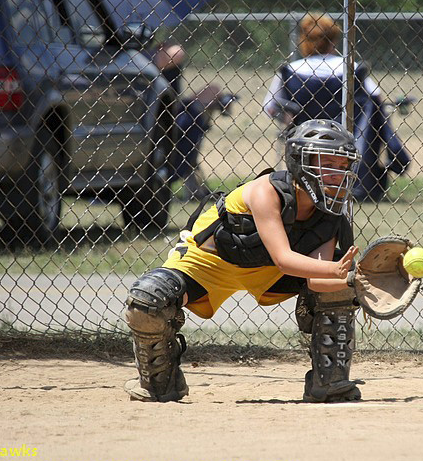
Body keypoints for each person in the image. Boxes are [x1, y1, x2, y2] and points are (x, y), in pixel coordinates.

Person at [123, 119, 365, 403]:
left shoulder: (329, 214)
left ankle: (330, 381)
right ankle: (160, 382)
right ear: (300, 162)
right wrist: (335, 269)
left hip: (268, 272)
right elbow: (284, 258)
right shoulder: (267, 191)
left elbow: (317, 279)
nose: (338, 174)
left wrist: (354, 279)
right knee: (148, 300)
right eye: (328, 164)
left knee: (339, 288)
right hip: (209, 263)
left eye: (342, 166)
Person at [262, 12, 411, 202]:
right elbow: (376, 100)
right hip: (349, 139)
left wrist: (290, 118)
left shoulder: (290, 70)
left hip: (308, 142)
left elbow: (270, 107)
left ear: (303, 41)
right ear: (333, 41)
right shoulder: (352, 68)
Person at [151, 41, 211, 201]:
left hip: (173, 109)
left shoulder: (158, 48)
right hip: (154, 114)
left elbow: (177, 52)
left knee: (213, 90)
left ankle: (194, 187)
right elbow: (176, 52)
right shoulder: (139, 55)